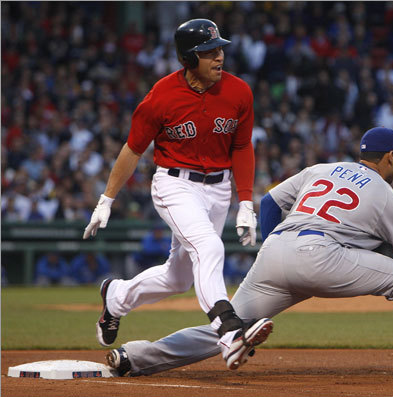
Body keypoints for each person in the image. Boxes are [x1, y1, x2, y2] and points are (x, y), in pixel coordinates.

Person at [105, 127, 393, 379]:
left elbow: (270, 202)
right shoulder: (387, 196)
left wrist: (274, 243)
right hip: (322, 256)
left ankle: (135, 357)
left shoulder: (321, 168)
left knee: (230, 327)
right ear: (391, 158)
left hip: (276, 251)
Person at [82, 18, 272, 369]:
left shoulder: (239, 92)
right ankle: (229, 332)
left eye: (220, 49)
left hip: (219, 188)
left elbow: (242, 146)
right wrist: (106, 199)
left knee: (178, 278)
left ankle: (116, 296)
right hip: (175, 184)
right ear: (188, 58)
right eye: (209, 52)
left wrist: (246, 201)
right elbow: (133, 149)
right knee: (209, 247)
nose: (219, 57)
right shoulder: (161, 96)